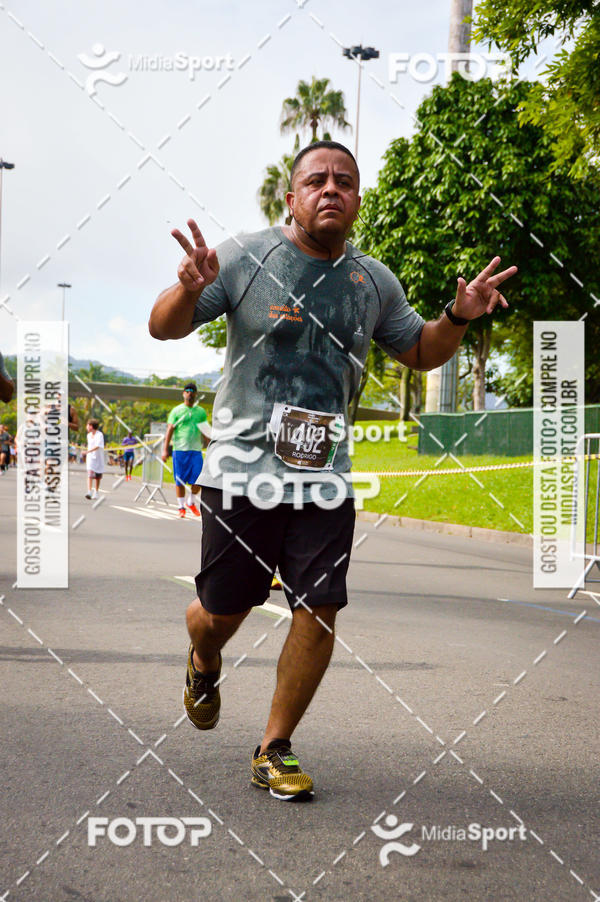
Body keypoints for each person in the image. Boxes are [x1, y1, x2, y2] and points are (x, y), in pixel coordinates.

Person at [149, 140, 517, 801]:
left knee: (318, 609)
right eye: (316, 180)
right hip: (241, 472)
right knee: (221, 612)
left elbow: (419, 350)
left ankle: (274, 747)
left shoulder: (373, 282)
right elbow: (162, 328)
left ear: (357, 200)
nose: (330, 190)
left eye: (343, 182)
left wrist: (458, 316)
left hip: (324, 478)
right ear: (292, 198)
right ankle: (203, 655)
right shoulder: (246, 257)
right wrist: (187, 289)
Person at [162, 383, 208, 518]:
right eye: (187, 391)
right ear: (183, 393)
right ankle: (181, 507)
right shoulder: (176, 411)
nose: (190, 393)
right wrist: (165, 450)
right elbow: (170, 429)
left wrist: (211, 447)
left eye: (192, 391)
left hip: (196, 451)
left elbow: (205, 431)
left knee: (198, 480)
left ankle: (190, 502)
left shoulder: (201, 412)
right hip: (180, 450)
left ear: (196, 394)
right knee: (180, 480)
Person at [83, 418, 104, 500]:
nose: (86, 427)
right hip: (90, 458)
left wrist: (87, 451)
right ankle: (89, 492)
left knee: (97, 476)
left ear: (91, 426)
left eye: (87, 425)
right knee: (90, 474)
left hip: (98, 458)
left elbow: (97, 446)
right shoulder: (88, 435)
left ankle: (96, 492)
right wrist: (88, 452)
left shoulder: (99, 435)